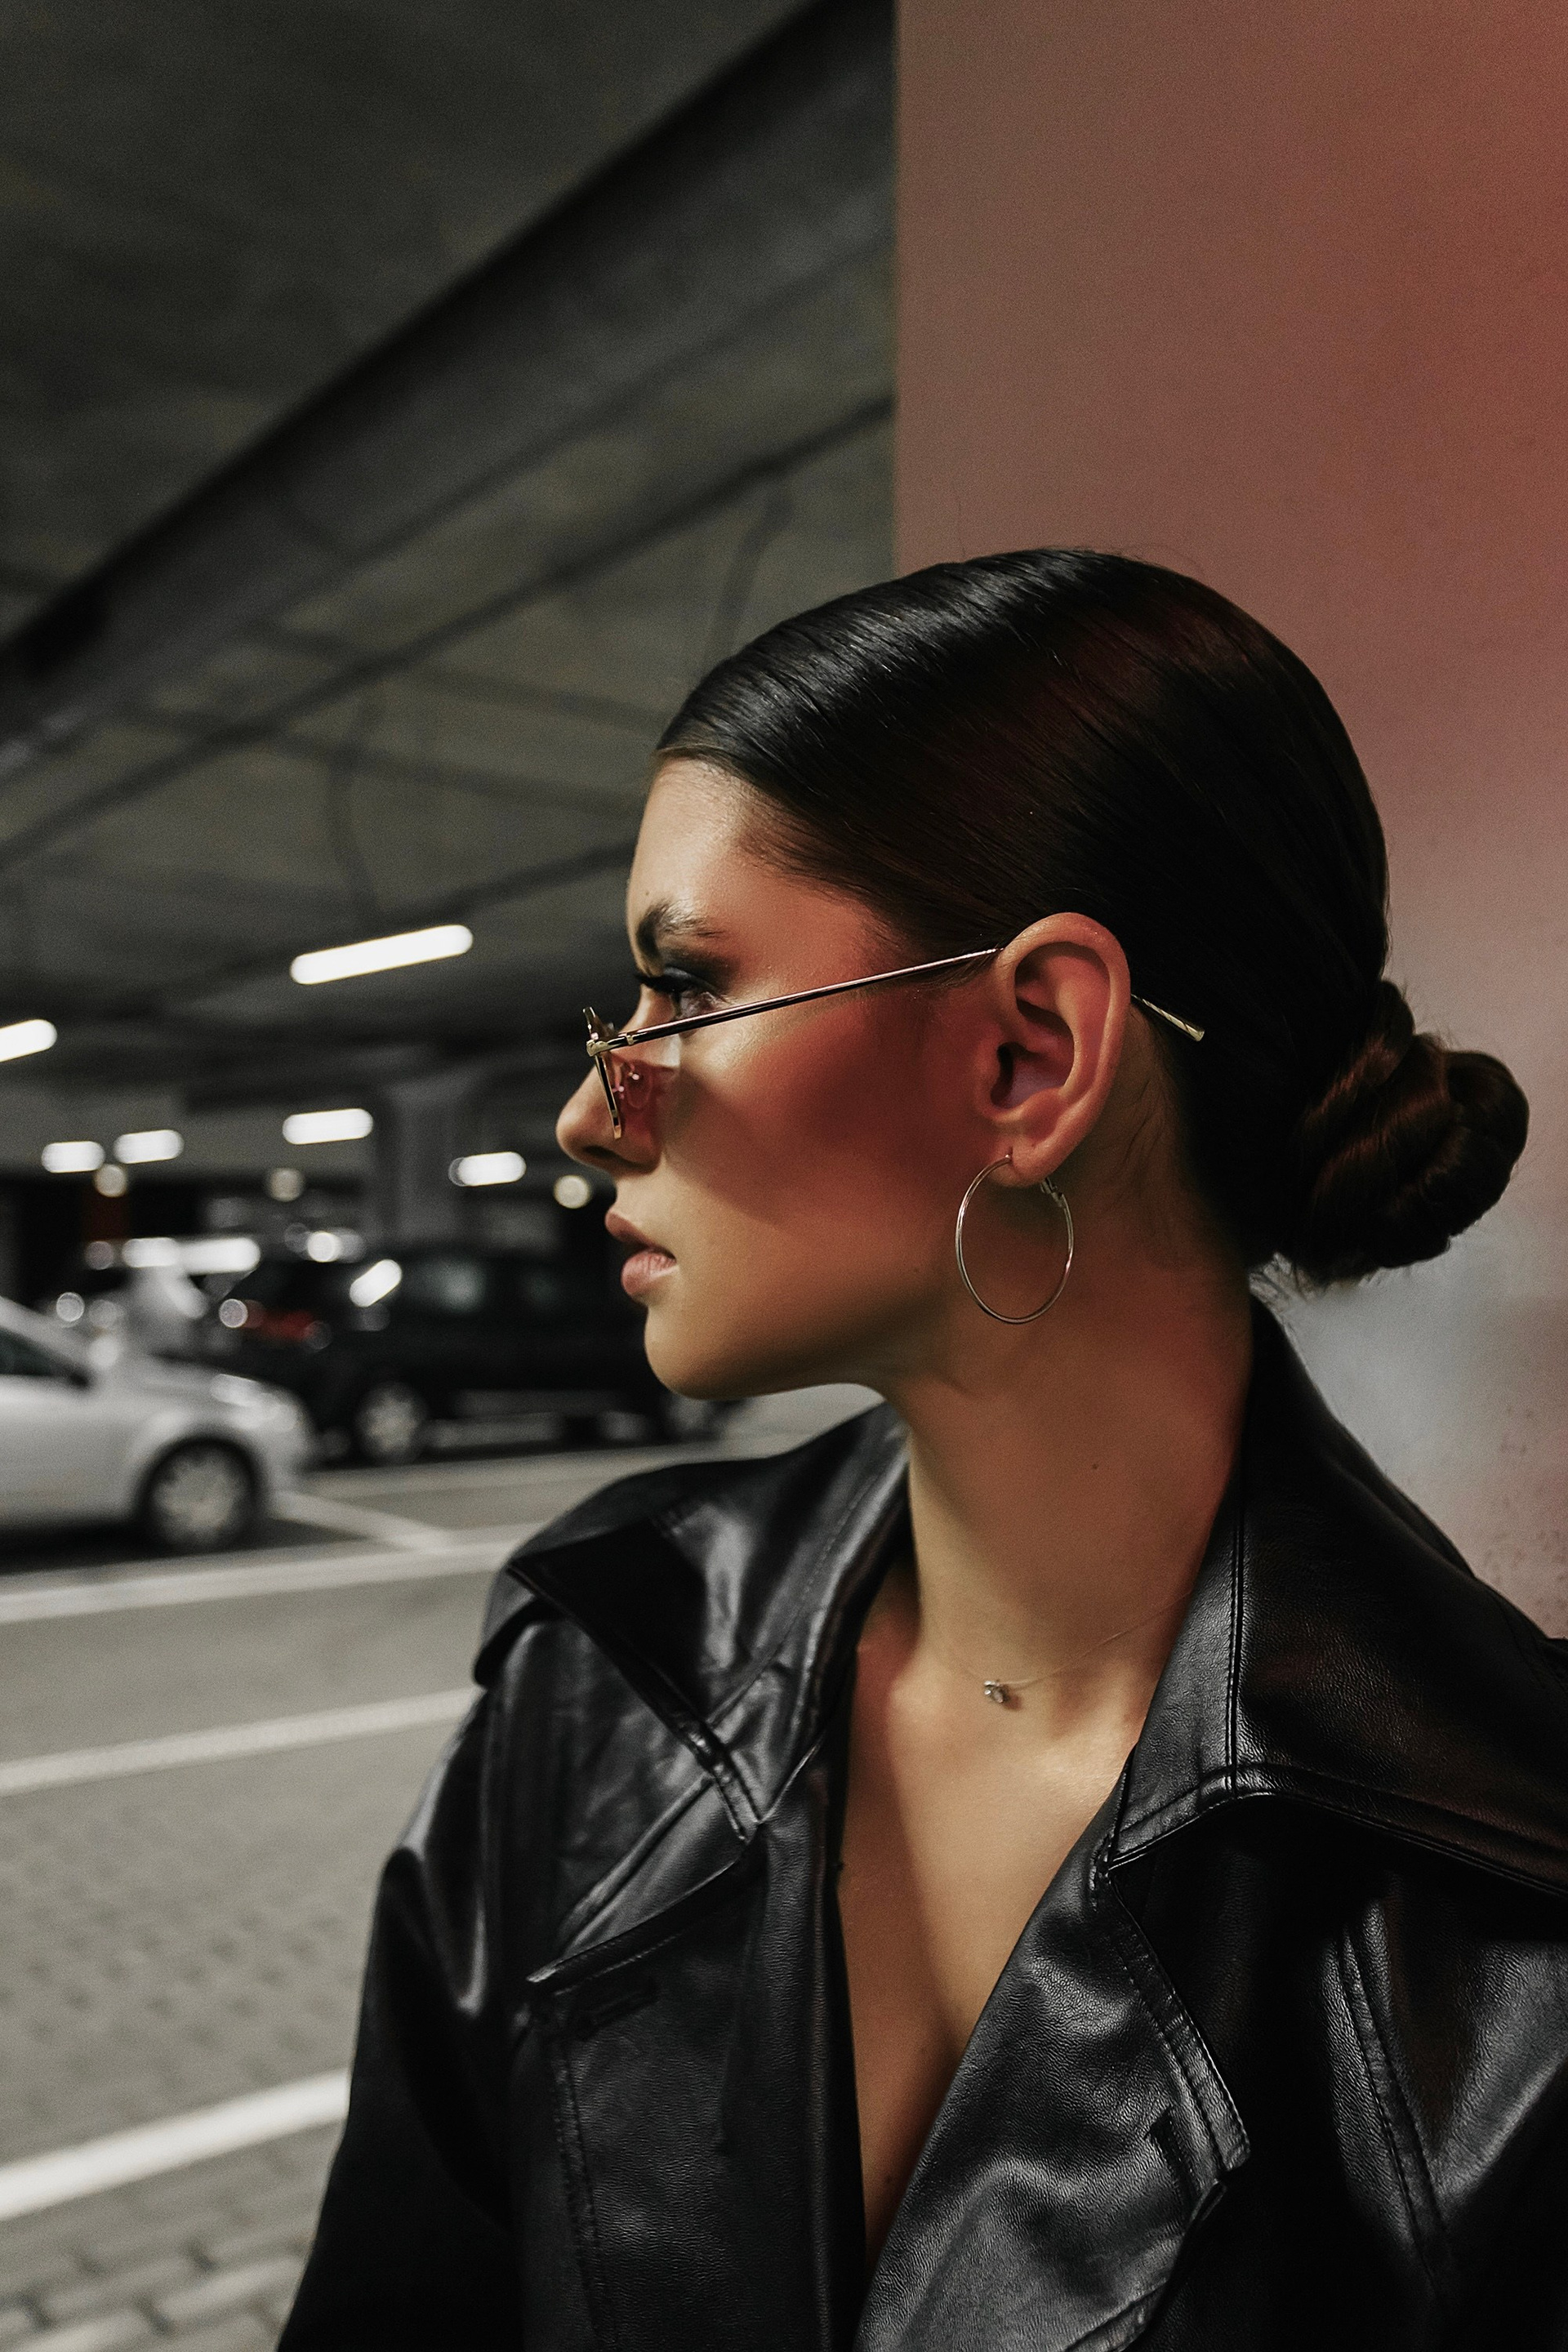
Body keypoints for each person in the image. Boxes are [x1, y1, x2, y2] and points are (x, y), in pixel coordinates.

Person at [280, 550, 1563, 2351]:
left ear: (1031, 1055)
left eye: (686, 988)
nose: (590, 1109)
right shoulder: (602, 1678)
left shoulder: (1509, 1922)